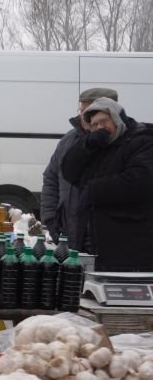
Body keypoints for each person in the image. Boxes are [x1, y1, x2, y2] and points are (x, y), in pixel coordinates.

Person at [59, 97, 153, 272]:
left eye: (104, 121)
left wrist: (94, 190)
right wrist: (86, 145)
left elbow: (141, 181)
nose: (100, 128)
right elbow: (68, 172)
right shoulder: (99, 147)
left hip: (130, 246)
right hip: (94, 243)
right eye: (94, 125)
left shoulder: (143, 142)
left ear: (118, 119)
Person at [43, 87, 119, 248]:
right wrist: (50, 220)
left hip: (108, 243)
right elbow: (51, 178)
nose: (82, 116)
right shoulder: (69, 140)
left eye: (88, 111)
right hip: (68, 237)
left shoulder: (124, 143)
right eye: (81, 110)